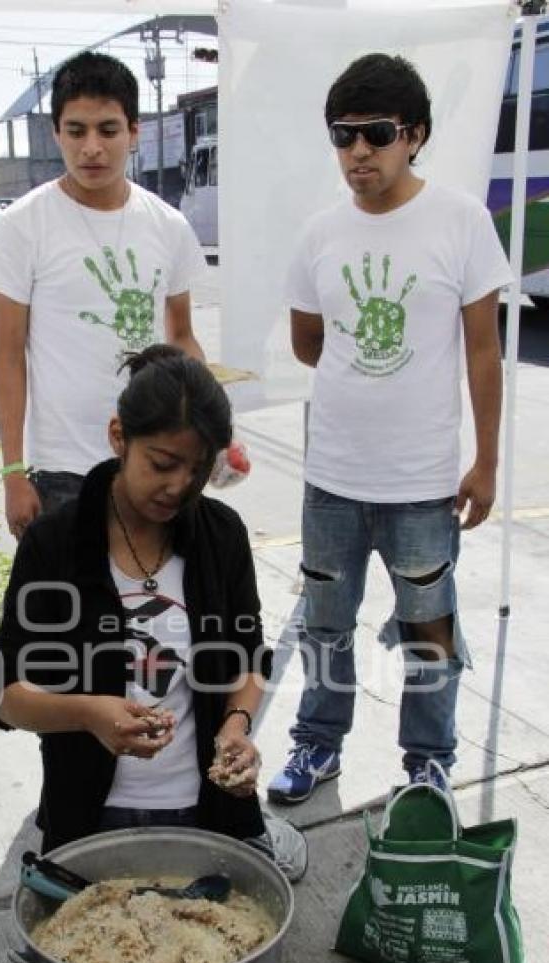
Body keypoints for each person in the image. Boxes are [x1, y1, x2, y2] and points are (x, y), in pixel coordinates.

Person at [267, 54, 512, 805]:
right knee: (326, 628)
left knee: (429, 631)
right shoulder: (319, 233)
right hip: (333, 479)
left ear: (416, 136)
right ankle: (317, 746)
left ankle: (427, 762)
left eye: (376, 133)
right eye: (344, 136)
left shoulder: (462, 221)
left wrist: (487, 462)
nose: (359, 152)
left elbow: (483, 351)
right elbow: (309, 341)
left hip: (423, 483)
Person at [0, 346, 308, 882]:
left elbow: (248, 658)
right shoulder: (55, 544)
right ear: (118, 438)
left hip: (204, 814)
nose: (179, 485)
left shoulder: (221, 536)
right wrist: (88, 714)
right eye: (162, 463)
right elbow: (2, 695)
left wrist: (237, 724)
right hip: (90, 818)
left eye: (198, 469)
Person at [0, 51, 207, 537]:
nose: (91, 148)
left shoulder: (168, 226)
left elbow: (183, 340)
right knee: (65, 612)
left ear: (134, 131)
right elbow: (8, 355)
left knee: (156, 609)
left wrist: (207, 434)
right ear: (56, 132)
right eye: (76, 130)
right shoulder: (23, 224)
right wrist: (13, 473)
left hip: (152, 462)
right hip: (61, 473)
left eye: (107, 130)